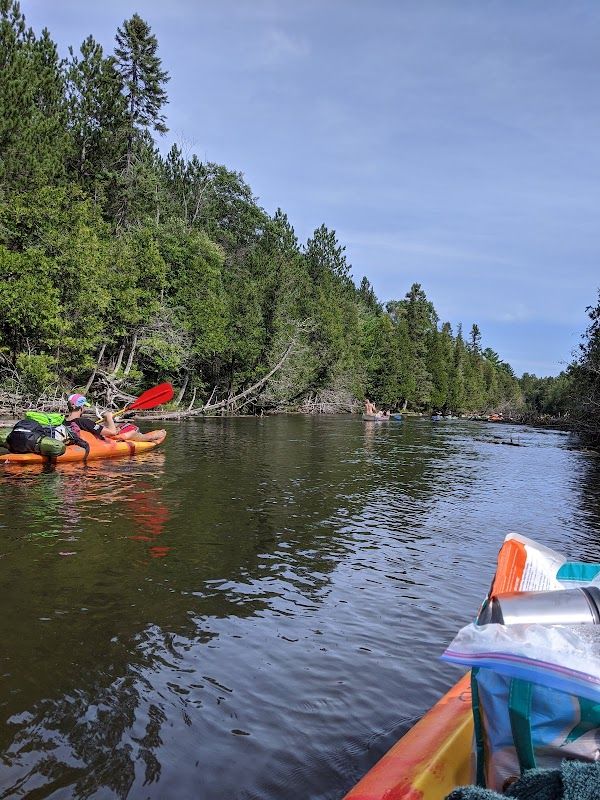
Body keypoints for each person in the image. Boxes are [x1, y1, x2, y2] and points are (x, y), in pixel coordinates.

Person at [65, 393, 165, 443]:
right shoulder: (84, 421)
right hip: (100, 444)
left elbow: (92, 428)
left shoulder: (65, 421)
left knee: (117, 429)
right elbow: (112, 432)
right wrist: (109, 418)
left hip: (88, 440)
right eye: (84, 406)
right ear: (81, 407)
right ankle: (156, 436)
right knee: (131, 433)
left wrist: (101, 425)